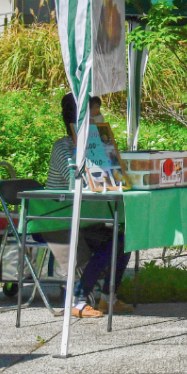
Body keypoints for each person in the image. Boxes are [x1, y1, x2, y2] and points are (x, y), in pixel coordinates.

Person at [44, 94, 132, 318]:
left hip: (86, 217)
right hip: (60, 219)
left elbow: (109, 179)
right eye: (94, 114)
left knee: (124, 240)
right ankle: (79, 300)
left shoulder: (97, 144)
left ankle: (107, 297)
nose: (99, 118)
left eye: (98, 113)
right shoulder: (63, 148)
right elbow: (80, 182)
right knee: (109, 245)